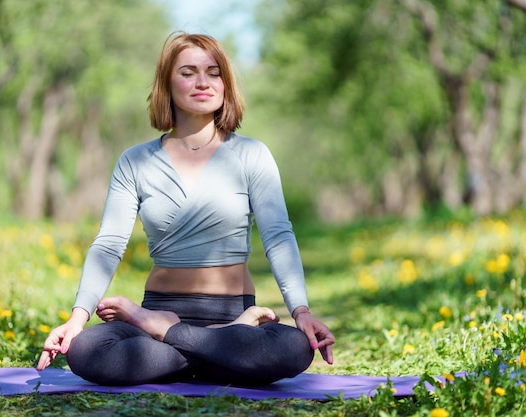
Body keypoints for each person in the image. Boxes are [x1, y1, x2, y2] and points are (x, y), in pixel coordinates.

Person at [36, 31, 335, 386]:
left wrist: (301, 312)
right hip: (178, 312)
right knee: (86, 351)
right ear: (167, 83)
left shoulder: (251, 155)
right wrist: (77, 318)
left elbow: (278, 237)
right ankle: (210, 347)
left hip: (224, 310)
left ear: (226, 83)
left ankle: (171, 334)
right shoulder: (136, 161)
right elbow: (108, 244)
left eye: (213, 72)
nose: (202, 82)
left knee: (295, 348)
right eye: (188, 72)